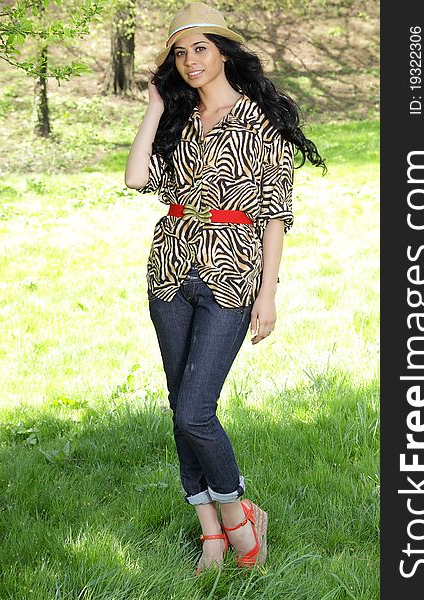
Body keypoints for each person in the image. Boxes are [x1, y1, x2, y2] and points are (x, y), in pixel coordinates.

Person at [124, 1, 326, 575]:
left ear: (224, 52)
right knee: (177, 405)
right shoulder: (179, 120)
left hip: (232, 274)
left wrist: (268, 292)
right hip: (170, 270)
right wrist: (154, 108)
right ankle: (210, 530)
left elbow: (274, 212)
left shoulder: (259, 120)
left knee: (195, 410)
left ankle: (239, 513)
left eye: (200, 49)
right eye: (180, 53)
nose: (190, 61)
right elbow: (139, 178)